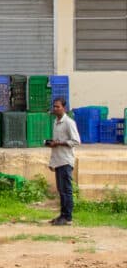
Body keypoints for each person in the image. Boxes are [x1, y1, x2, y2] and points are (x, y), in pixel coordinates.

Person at [46, 97, 80, 226]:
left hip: (66, 160)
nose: (55, 109)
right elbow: (56, 143)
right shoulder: (56, 122)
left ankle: (68, 217)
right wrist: (52, 161)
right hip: (58, 160)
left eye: (58, 107)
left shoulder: (69, 122)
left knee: (66, 190)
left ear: (64, 108)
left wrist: (59, 143)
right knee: (61, 190)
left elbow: (76, 141)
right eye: (54, 106)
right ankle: (62, 215)